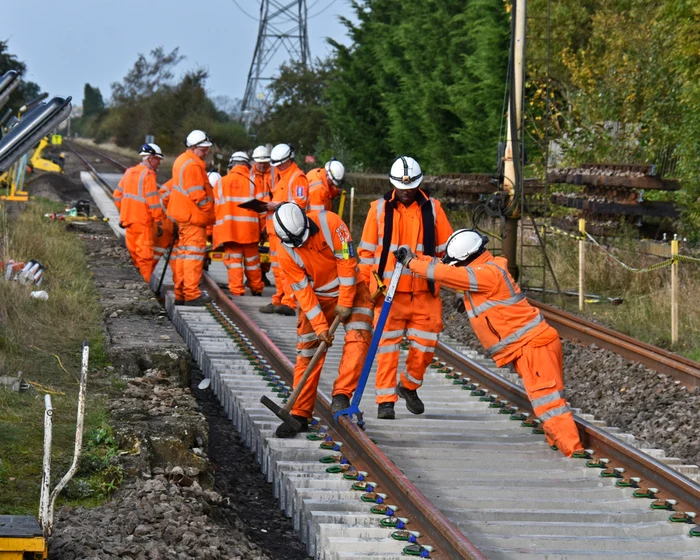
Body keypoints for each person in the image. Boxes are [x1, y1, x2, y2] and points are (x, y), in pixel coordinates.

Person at [395, 229, 587, 458]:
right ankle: (560, 444)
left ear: (467, 258)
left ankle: (573, 453)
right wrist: (417, 257)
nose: (455, 266)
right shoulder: (484, 267)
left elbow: (447, 274)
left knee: (549, 402)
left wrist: (411, 264)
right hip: (528, 345)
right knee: (546, 399)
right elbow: (445, 266)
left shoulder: (486, 275)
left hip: (533, 345)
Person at [358, 156, 453, 419]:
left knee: (425, 346)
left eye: (410, 186)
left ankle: (408, 385)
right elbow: (366, 253)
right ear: (393, 184)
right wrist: (368, 288)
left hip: (425, 293)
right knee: (387, 348)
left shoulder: (434, 209)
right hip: (389, 295)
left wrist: (450, 279)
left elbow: (446, 251)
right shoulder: (377, 209)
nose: (406, 190)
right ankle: (385, 401)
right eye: (401, 186)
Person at [273, 202, 374, 437]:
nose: (303, 244)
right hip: (317, 298)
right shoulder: (285, 251)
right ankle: (299, 413)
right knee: (308, 352)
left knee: (359, 338)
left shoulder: (331, 224)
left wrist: (346, 301)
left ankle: (341, 395)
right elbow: (302, 292)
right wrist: (320, 326)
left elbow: (347, 263)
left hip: (352, 290)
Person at [259, 143, 309, 316]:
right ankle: (279, 298)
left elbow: (300, 203)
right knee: (277, 268)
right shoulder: (282, 176)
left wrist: (275, 205)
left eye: (280, 163)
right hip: (275, 231)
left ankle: (289, 302)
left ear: (289, 160)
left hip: (287, 233)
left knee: (287, 268)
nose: (278, 166)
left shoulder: (297, 177)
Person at [166, 130, 215, 306]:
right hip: (194, 217)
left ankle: (180, 293)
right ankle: (192, 294)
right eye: (203, 150)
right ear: (193, 148)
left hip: (183, 215)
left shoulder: (181, 160)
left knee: (184, 255)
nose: (206, 152)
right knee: (193, 257)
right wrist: (209, 210)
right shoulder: (193, 165)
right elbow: (197, 195)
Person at [213, 151, 266, 297]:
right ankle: (256, 288)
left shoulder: (220, 183)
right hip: (250, 230)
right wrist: (263, 229)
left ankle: (237, 290)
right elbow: (263, 208)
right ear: (247, 165)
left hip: (229, 230)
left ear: (231, 165)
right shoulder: (254, 182)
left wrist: (214, 231)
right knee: (253, 261)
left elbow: (215, 208)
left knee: (234, 261)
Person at [113, 143, 166, 282]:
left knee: (135, 256)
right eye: (157, 160)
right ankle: (145, 288)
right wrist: (159, 221)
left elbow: (117, 195)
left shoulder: (129, 171)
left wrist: (124, 212)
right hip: (143, 223)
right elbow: (153, 201)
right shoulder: (149, 174)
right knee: (145, 259)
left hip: (128, 222)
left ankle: (137, 285)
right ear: (151, 158)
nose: (158, 163)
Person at [152, 177, 179, 293]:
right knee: (154, 256)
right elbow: (161, 198)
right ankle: (143, 281)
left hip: (177, 228)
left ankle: (180, 288)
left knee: (177, 259)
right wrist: (169, 218)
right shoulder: (174, 183)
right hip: (165, 226)